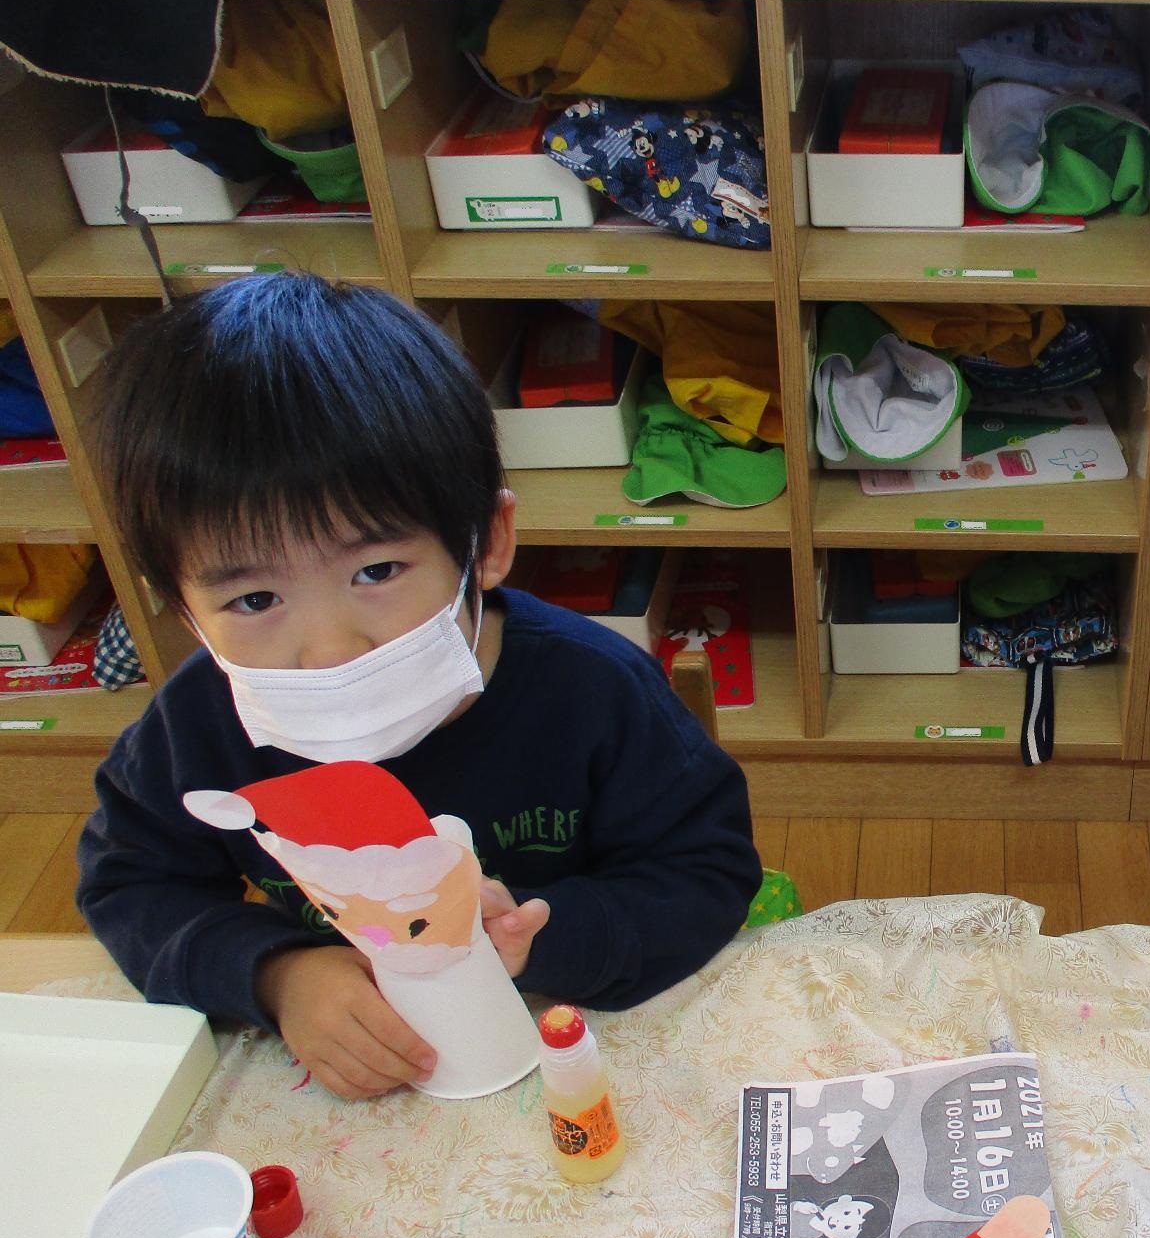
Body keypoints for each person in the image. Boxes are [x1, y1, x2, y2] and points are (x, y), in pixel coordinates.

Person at [76, 273, 762, 1098]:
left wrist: (542, 935)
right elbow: (129, 883)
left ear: (487, 543)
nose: (329, 647)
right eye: (254, 599)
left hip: (576, 1054)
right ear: (184, 613)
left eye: (376, 570)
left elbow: (707, 873)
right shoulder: (197, 724)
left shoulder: (591, 691)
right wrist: (278, 974)